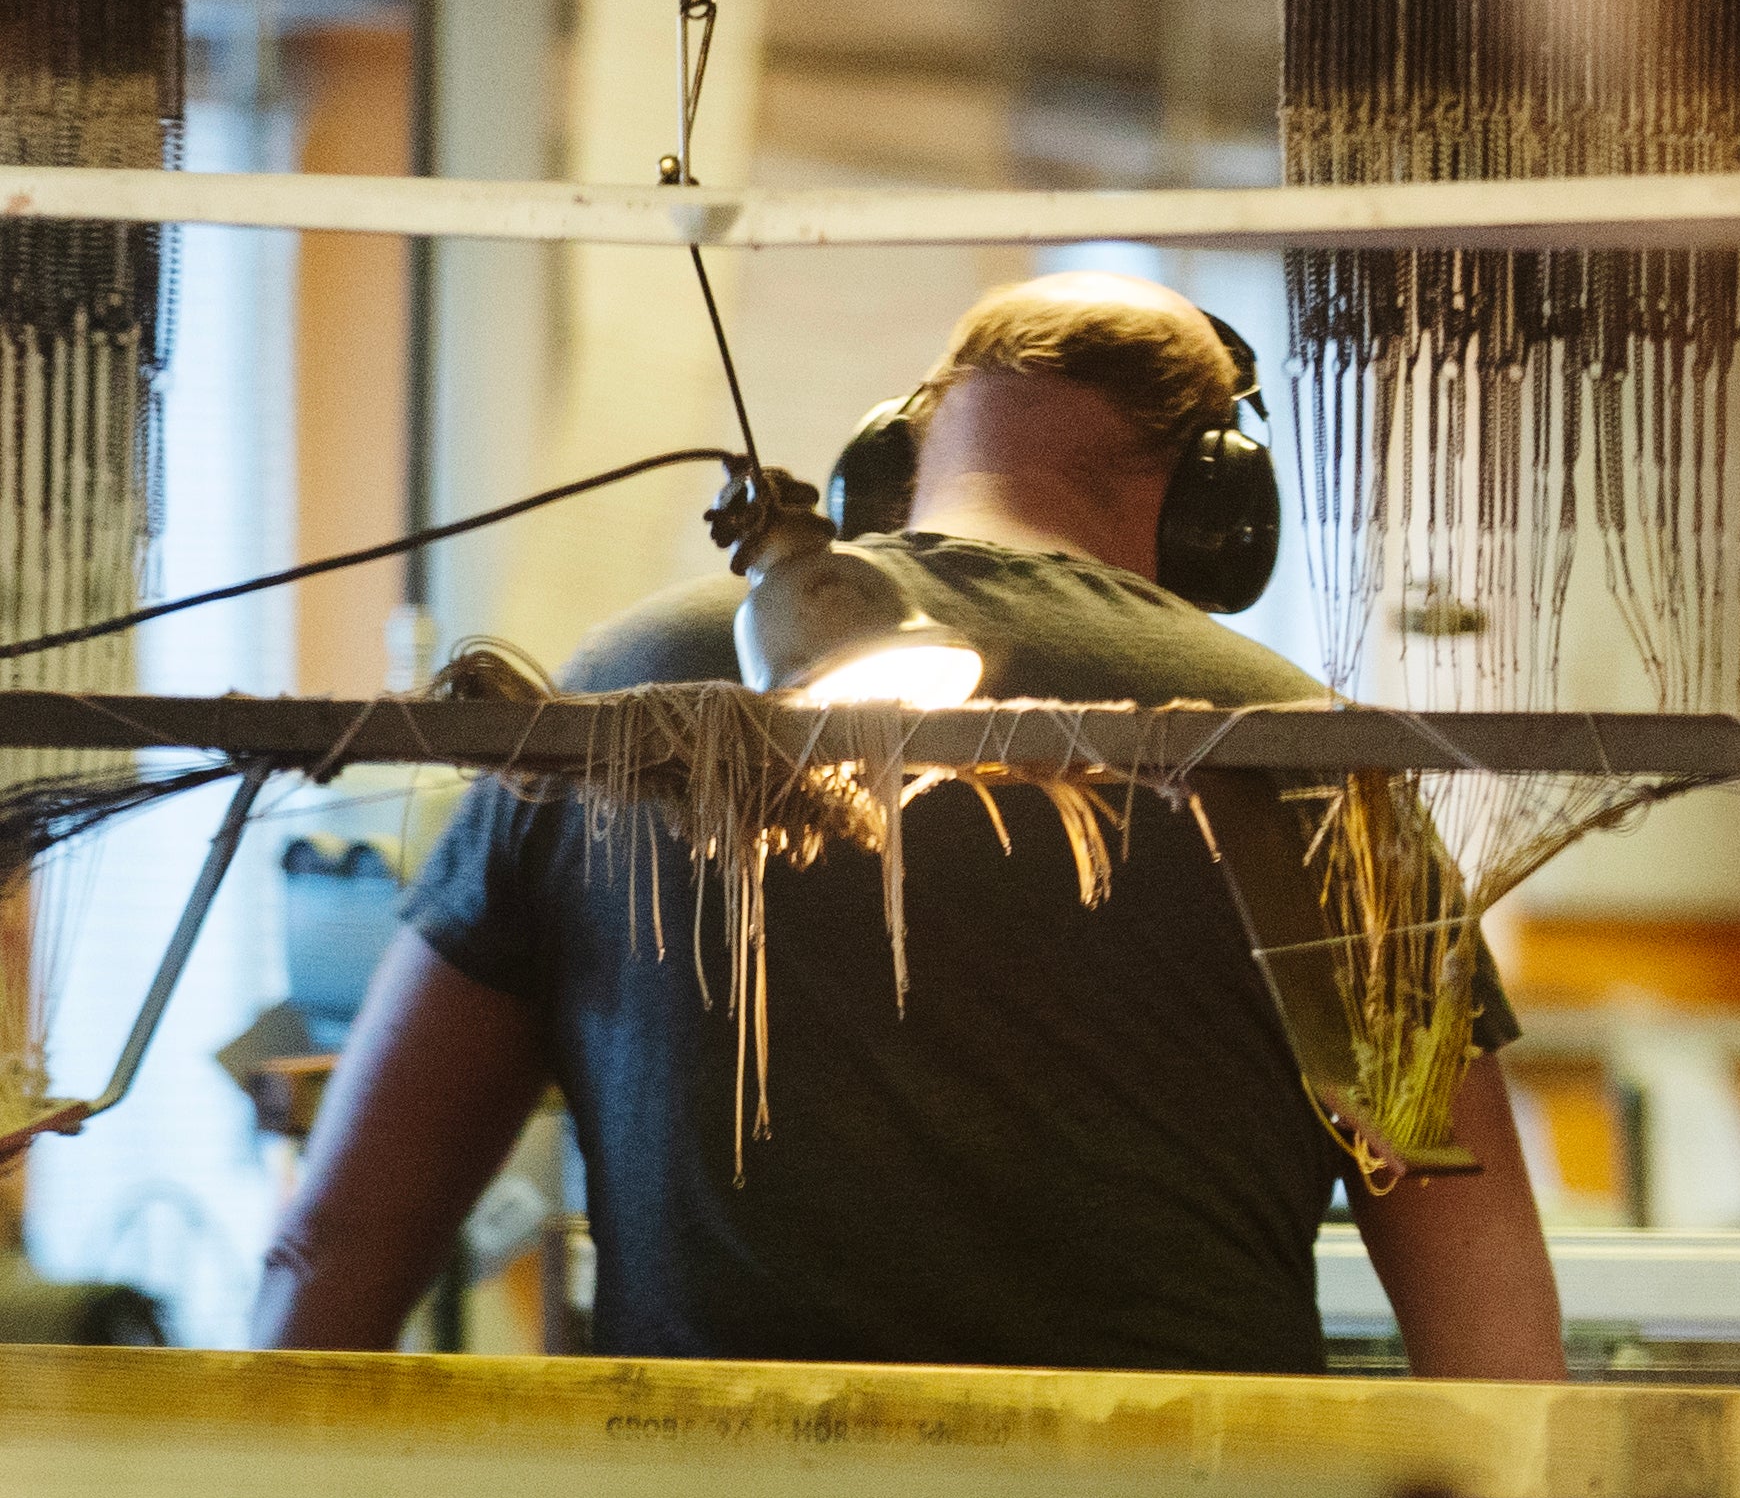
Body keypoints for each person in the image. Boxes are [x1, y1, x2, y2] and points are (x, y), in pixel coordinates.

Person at [252, 273, 1567, 1379]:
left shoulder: (627, 694)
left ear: (884, 470)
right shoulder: (1310, 761)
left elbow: (336, 1244)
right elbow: (1490, 1329)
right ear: (1220, 510)